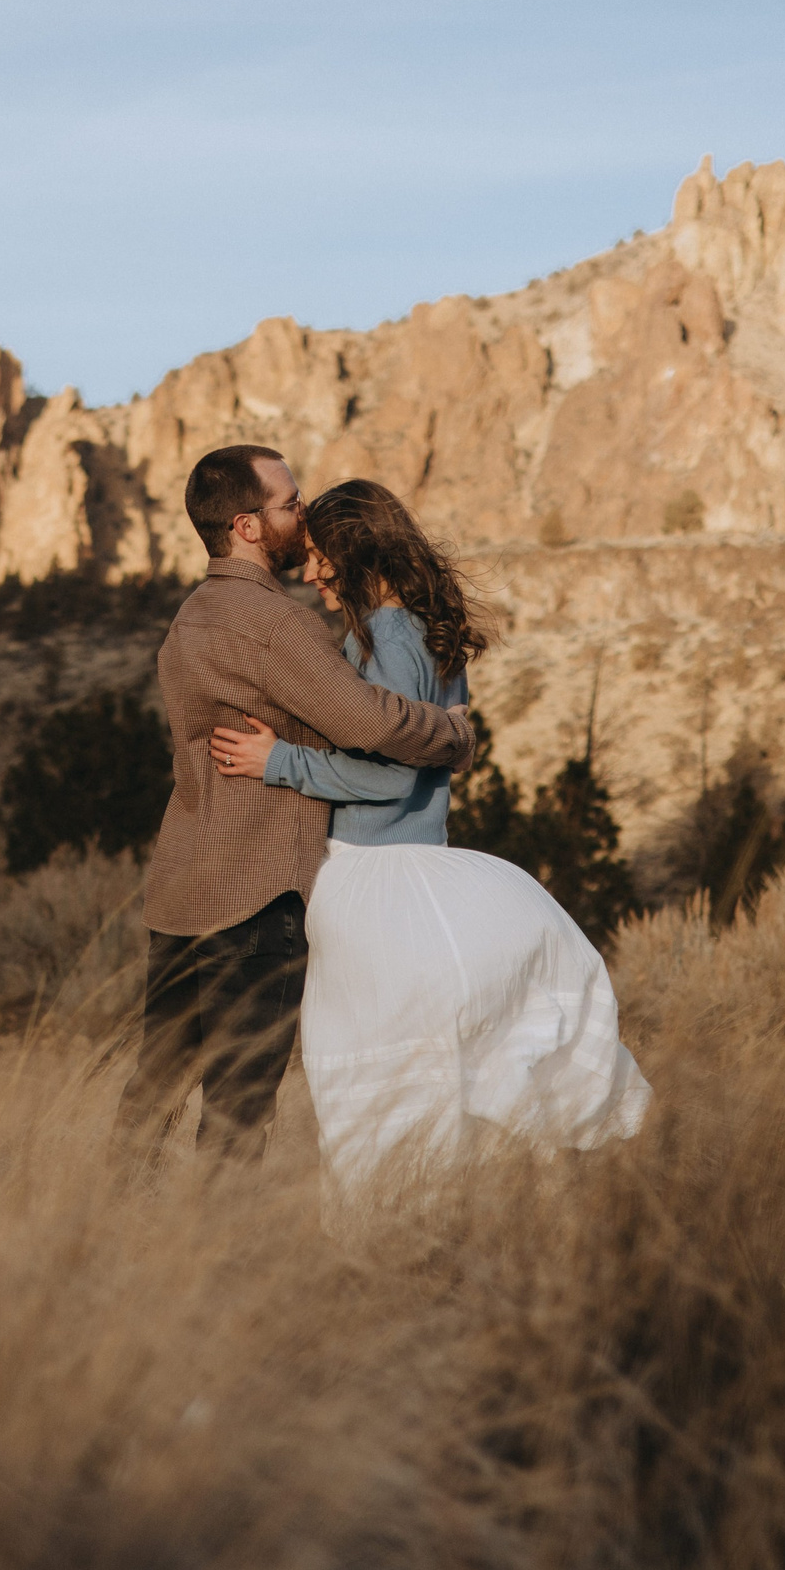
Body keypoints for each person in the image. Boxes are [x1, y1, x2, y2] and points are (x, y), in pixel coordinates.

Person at [209, 479, 649, 1189]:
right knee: (453, 1067)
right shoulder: (422, 629)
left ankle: (404, 1234)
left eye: (323, 557)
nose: (312, 571)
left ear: (357, 553)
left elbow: (387, 779)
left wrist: (278, 761)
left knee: (384, 1078)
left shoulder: (387, 634)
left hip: (376, 879)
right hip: (427, 868)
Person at [126, 446, 476, 1165]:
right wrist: (453, 733)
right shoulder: (275, 624)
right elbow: (372, 724)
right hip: (258, 895)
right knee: (239, 1109)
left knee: (151, 1092)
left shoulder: (188, 619)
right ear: (250, 526)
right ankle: (221, 1261)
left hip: (181, 888)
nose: (302, 513)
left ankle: (107, 1238)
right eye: (289, 504)